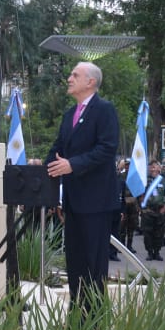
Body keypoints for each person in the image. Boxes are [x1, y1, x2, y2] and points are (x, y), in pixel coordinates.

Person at [44, 61, 120, 311]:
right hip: (74, 202)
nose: (69, 78)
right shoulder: (69, 115)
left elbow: (107, 149)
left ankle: (95, 321)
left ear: (91, 82)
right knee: (75, 263)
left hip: (96, 201)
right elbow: (58, 150)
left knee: (93, 264)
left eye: (75, 75)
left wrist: (73, 165)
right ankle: (78, 317)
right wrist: (39, 169)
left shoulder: (104, 110)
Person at [140, 160, 165, 261]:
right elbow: (139, 194)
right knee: (148, 233)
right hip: (148, 211)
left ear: (159, 169)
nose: (153, 168)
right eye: (151, 167)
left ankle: (157, 252)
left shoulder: (164, 180)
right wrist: (141, 207)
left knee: (159, 233)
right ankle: (150, 252)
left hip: (160, 210)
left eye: (155, 166)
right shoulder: (145, 180)